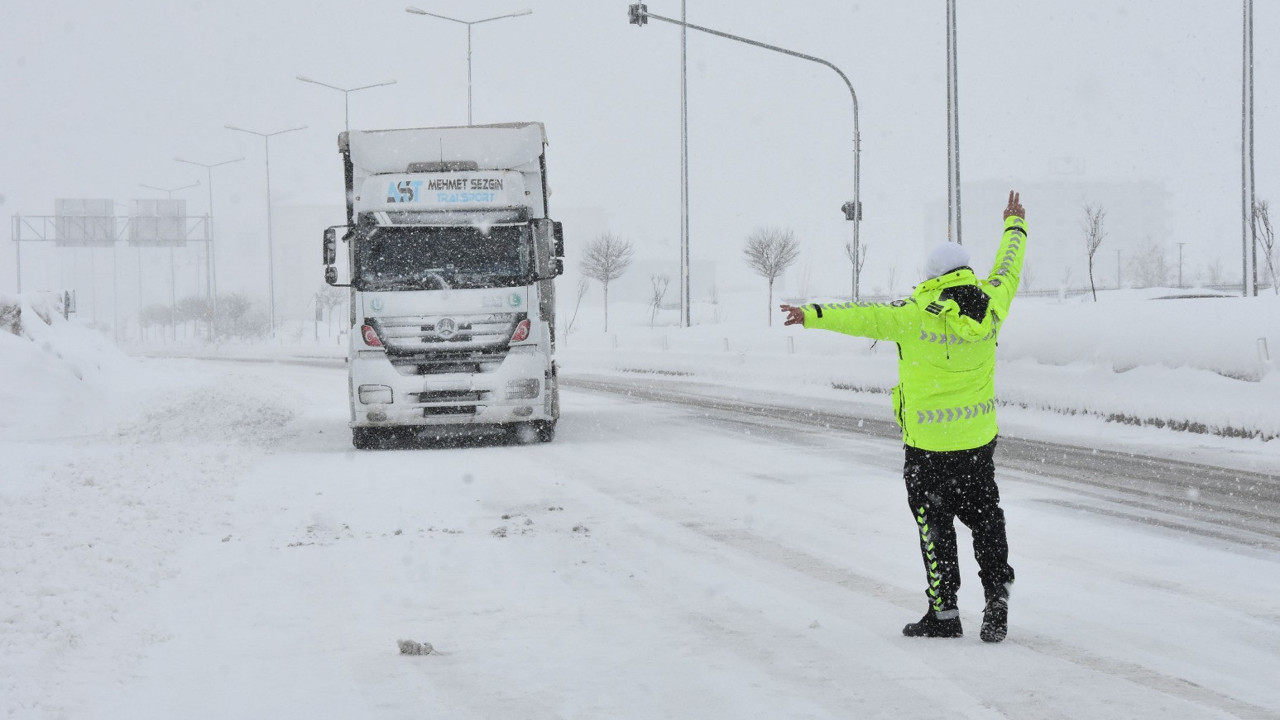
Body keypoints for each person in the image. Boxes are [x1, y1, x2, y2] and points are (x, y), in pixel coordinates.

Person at [780, 190, 1026, 643]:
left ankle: (945, 613)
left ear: (932, 277)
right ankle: (996, 600)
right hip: (976, 441)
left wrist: (810, 313)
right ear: (966, 272)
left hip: (928, 447)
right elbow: (1008, 268)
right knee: (986, 519)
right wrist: (1015, 225)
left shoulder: (912, 315)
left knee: (934, 525)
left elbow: (860, 316)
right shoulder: (993, 304)